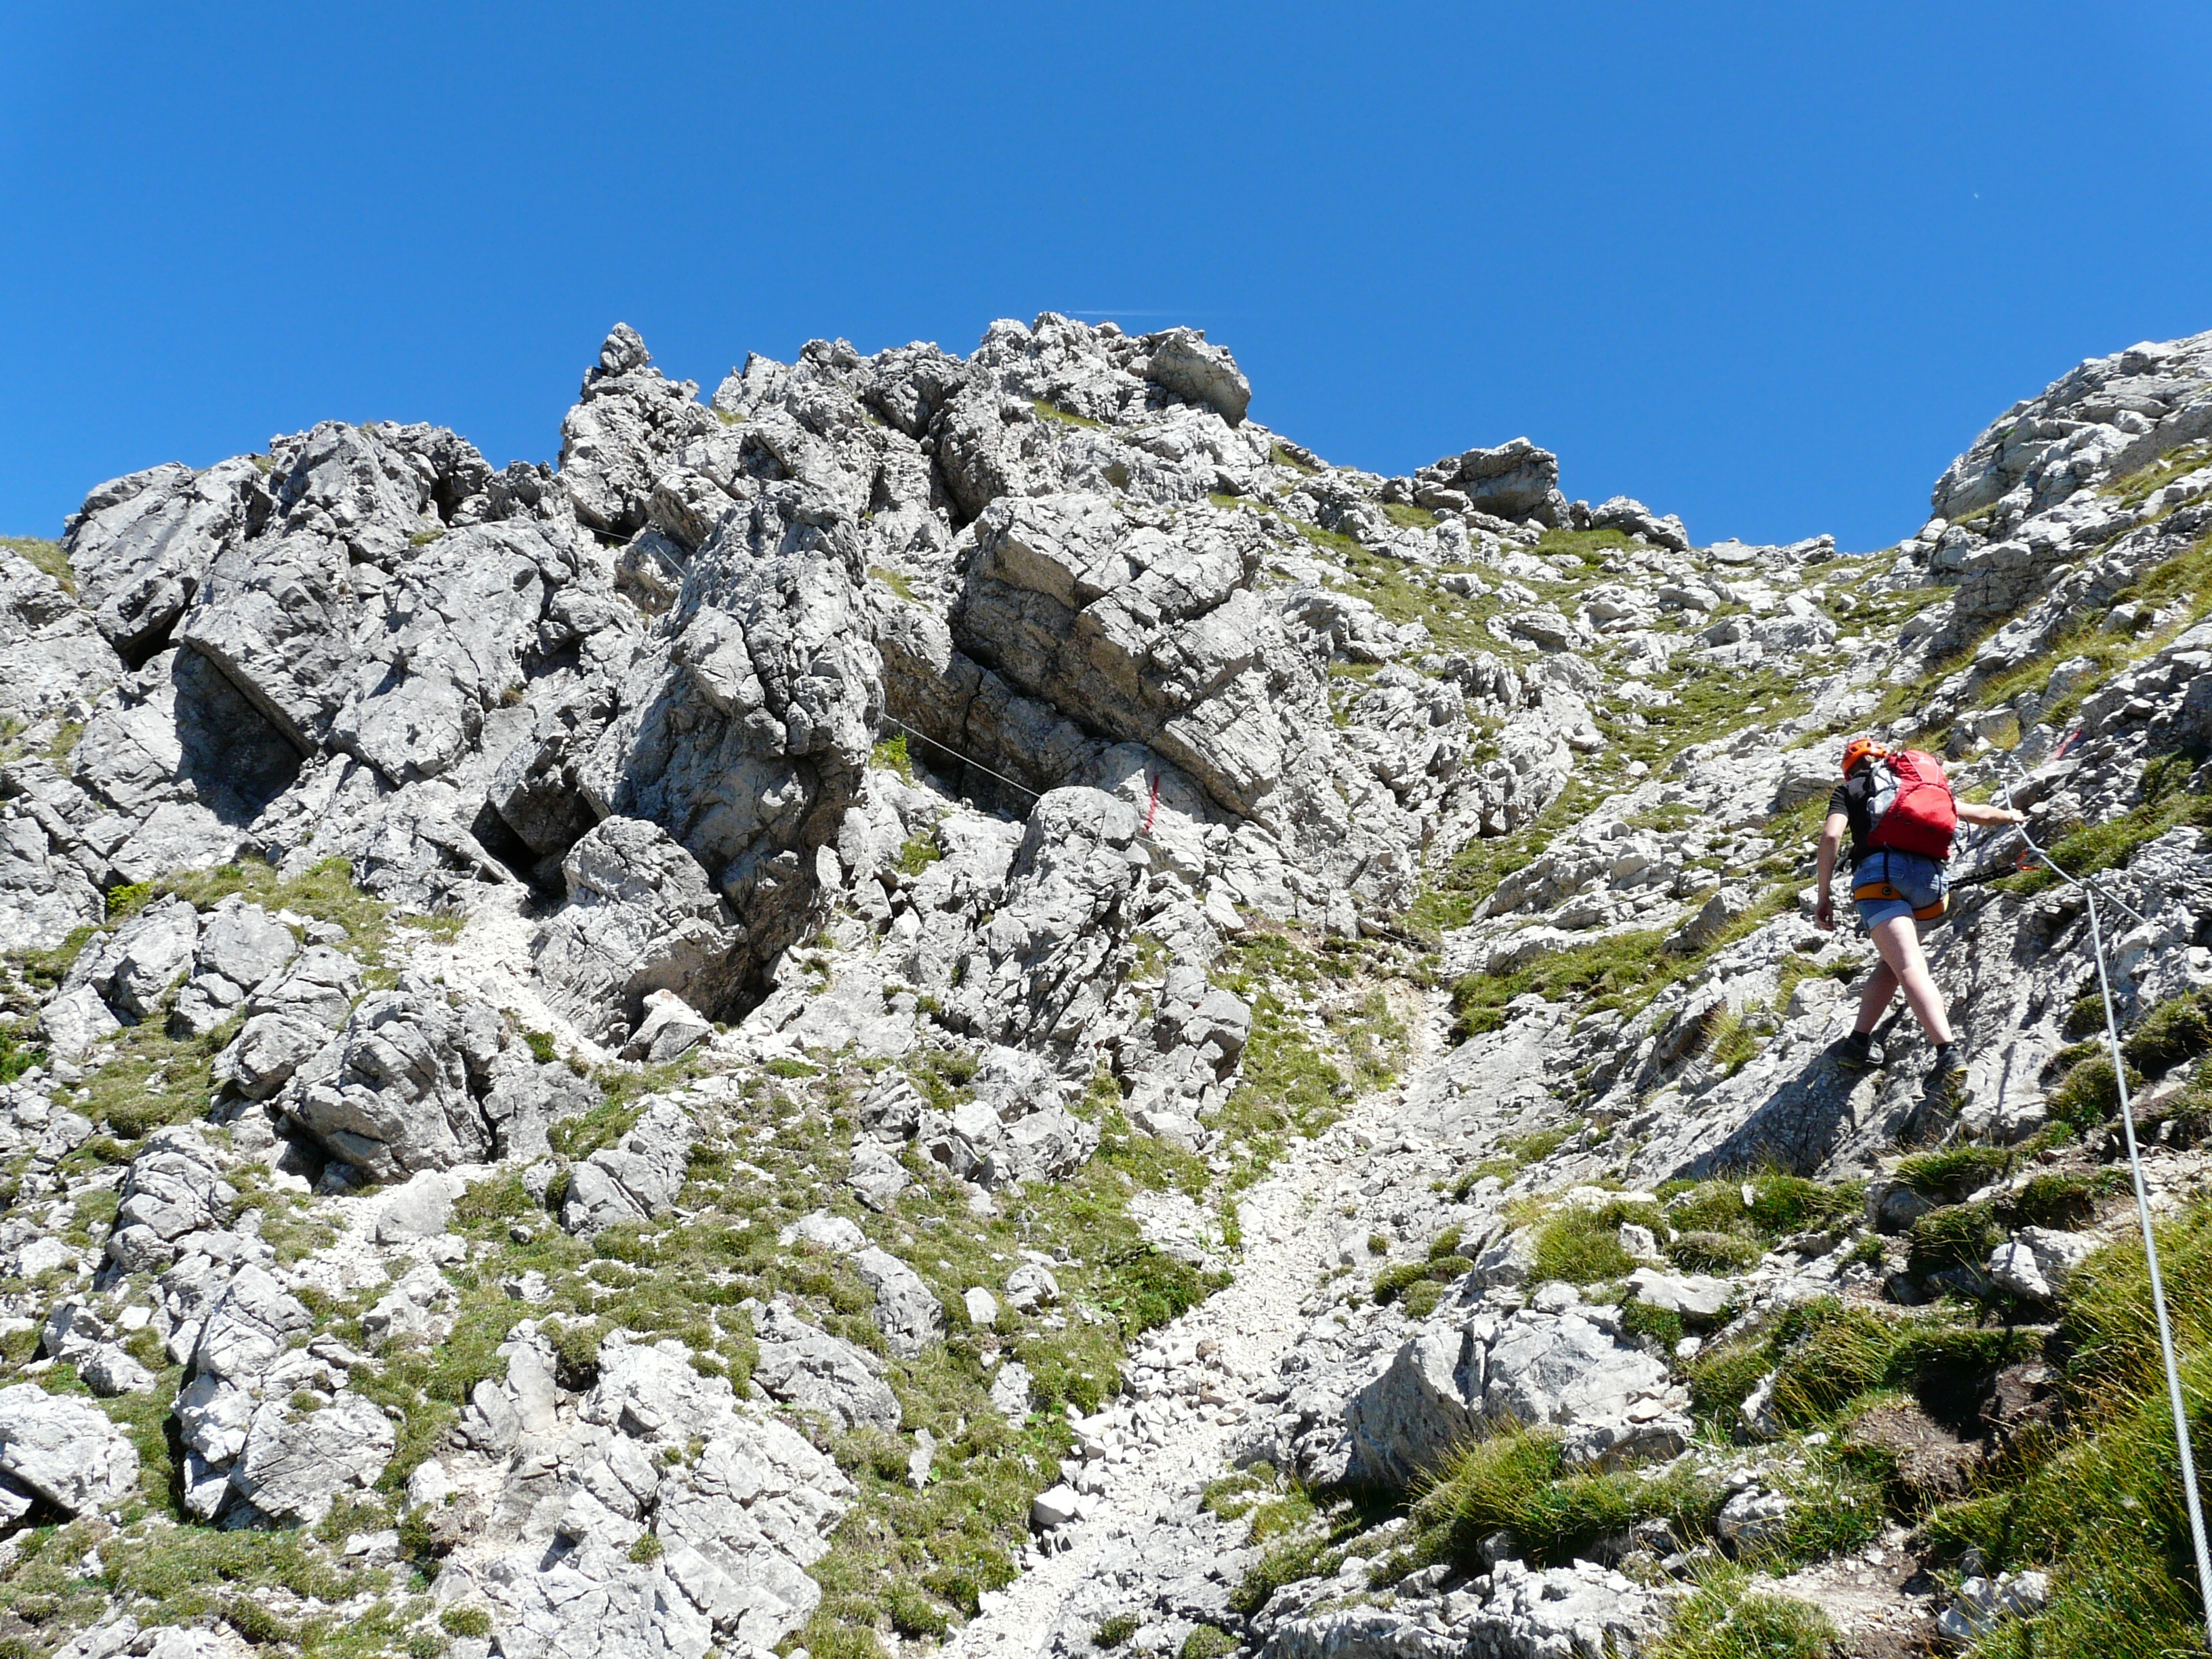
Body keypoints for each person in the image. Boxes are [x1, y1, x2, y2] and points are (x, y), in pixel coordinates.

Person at [1813, 737, 2026, 1087]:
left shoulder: (1850, 789)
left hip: (1880, 879)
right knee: (1894, 962)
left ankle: (1947, 1052)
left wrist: (1824, 896)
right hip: (1930, 886)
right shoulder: (1911, 783)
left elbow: (1831, 837)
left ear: (1849, 768)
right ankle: (1858, 1042)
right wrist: (2012, 816)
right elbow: (1979, 814)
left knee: (1907, 964)